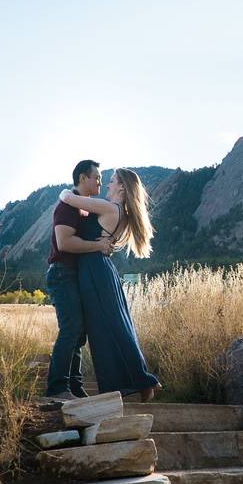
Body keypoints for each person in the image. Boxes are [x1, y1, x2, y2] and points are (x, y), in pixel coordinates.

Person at [57, 167, 161, 402]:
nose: (107, 185)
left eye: (112, 181)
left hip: (94, 270)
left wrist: (65, 190)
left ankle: (139, 381)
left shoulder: (110, 207)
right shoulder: (119, 212)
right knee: (111, 325)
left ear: (122, 187)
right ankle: (136, 382)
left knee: (106, 327)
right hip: (100, 269)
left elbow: (68, 198)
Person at [43, 160, 115, 401]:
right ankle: (56, 388)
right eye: (96, 177)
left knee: (80, 332)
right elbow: (64, 243)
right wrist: (97, 246)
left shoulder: (83, 207)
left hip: (75, 275)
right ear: (83, 178)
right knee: (71, 328)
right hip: (63, 273)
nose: (100, 182)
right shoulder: (66, 206)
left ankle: (74, 387)